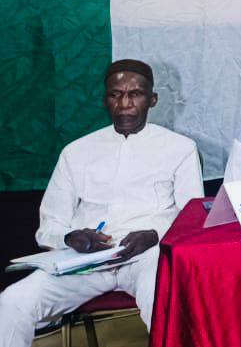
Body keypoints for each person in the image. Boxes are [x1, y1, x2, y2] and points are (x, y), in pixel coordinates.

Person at [0, 60, 202, 346]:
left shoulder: (180, 148)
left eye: (135, 94)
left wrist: (154, 234)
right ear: (105, 100)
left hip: (149, 256)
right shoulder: (76, 152)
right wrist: (71, 237)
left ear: (152, 99)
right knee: (13, 301)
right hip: (86, 262)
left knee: (163, 301)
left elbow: (192, 218)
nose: (125, 104)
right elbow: (49, 225)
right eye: (115, 95)